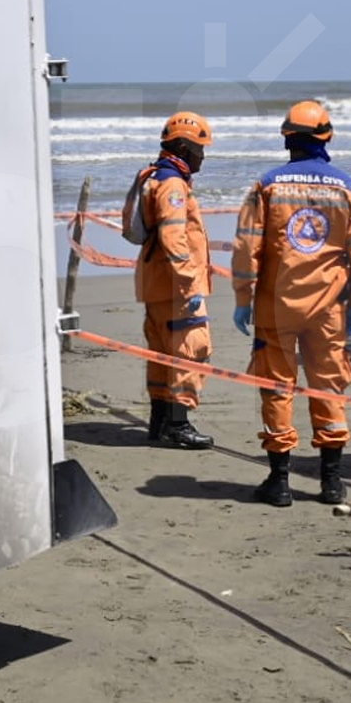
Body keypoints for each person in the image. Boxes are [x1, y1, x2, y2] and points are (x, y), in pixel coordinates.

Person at [231, 101, 351, 507]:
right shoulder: (345, 186)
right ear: (326, 137)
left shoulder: (267, 185)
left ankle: (279, 483)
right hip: (328, 309)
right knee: (329, 387)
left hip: (276, 307)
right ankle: (331, 482)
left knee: (277, 388)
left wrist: (243, 298)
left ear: (287, 139)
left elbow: (246, 248)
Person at [136, 111, 216, 449]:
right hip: (176, 287)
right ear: (184, 148)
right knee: (189, 351)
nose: (202, 156)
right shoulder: (172, 185)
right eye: (200, 148)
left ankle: (159, 421)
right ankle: (178, 425)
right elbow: (174, 239)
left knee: (161, 353)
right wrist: (190, 286)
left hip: (157, 283)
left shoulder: (157, 177)